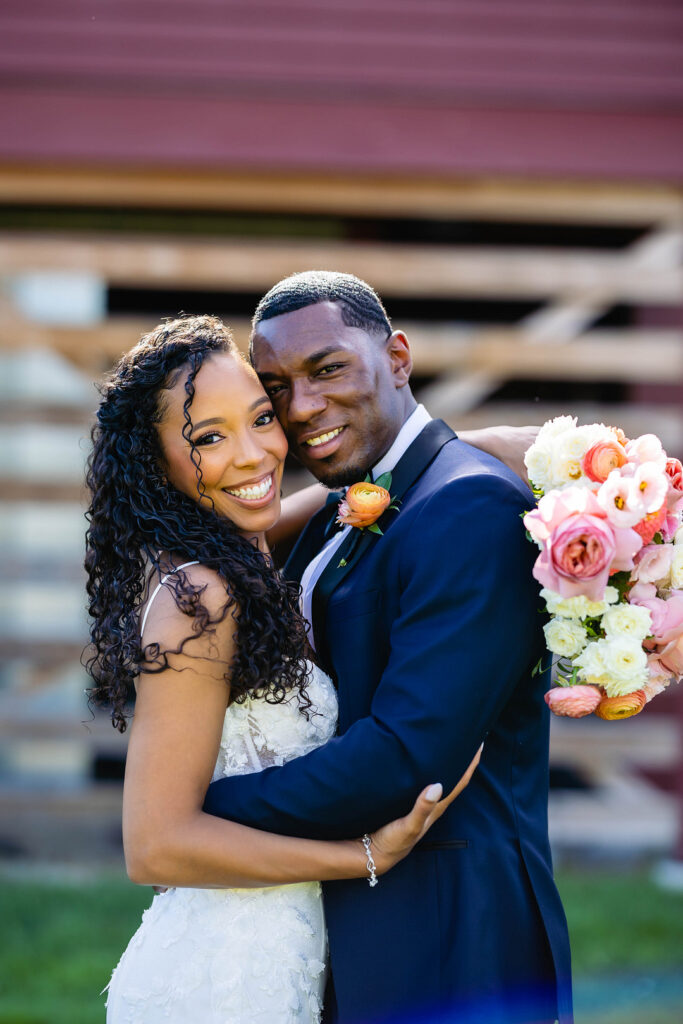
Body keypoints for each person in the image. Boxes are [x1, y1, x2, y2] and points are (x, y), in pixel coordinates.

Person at [86, 315, 482, 1023]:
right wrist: (364, 855)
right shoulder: (199, 598)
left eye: (261, 419)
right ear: (159, 465)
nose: (252, 455)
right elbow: (154, 846)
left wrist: (504, 449)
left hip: (280, 962)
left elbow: (361, 496)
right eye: (208, 437)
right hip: (223, 983)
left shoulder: (247, 548)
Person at [203, 272, 573, 1024]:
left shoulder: (467, 506)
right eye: (275, 387)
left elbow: (408, 756)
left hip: (452, 938)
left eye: (328, 368)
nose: (301, 407)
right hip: (367, 920)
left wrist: (200, 812)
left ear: (397, 356)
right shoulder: (356, 503)